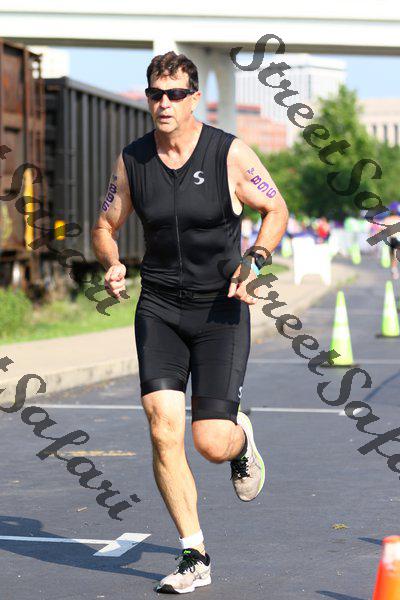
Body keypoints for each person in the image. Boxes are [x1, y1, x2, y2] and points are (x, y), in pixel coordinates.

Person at [91, 50, 288, 594]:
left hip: (220, 308)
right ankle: (193, 552)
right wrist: (111, 262)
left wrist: (256, 261)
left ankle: (240, 443)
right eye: (156, 94)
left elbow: (276, 209)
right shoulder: (132, 161)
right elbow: (105, 224)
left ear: (194, 98)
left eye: (175, 94)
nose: (164, 103)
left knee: (211, 442)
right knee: (162, 425)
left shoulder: (229, 153)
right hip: (158, 306)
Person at [381, 202, 400, 280]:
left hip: (392, 239)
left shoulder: (387, 219)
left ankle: (394, 270)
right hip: (397, 239)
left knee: (393, 256)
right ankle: (394, 270)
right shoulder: (398, 219)